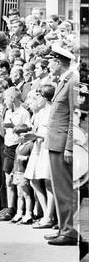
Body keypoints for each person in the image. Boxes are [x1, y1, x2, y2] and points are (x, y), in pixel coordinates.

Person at [44, 45, 84, 250]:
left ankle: (70, 231)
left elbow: (74, 118)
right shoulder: (65, 81)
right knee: (58, 188)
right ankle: (63, 227)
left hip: (63, 145)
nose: (48, 64)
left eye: (50, 61)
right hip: (55, 142)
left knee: (66, 189)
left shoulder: (73, 82)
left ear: (58, 62)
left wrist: (69, 146)